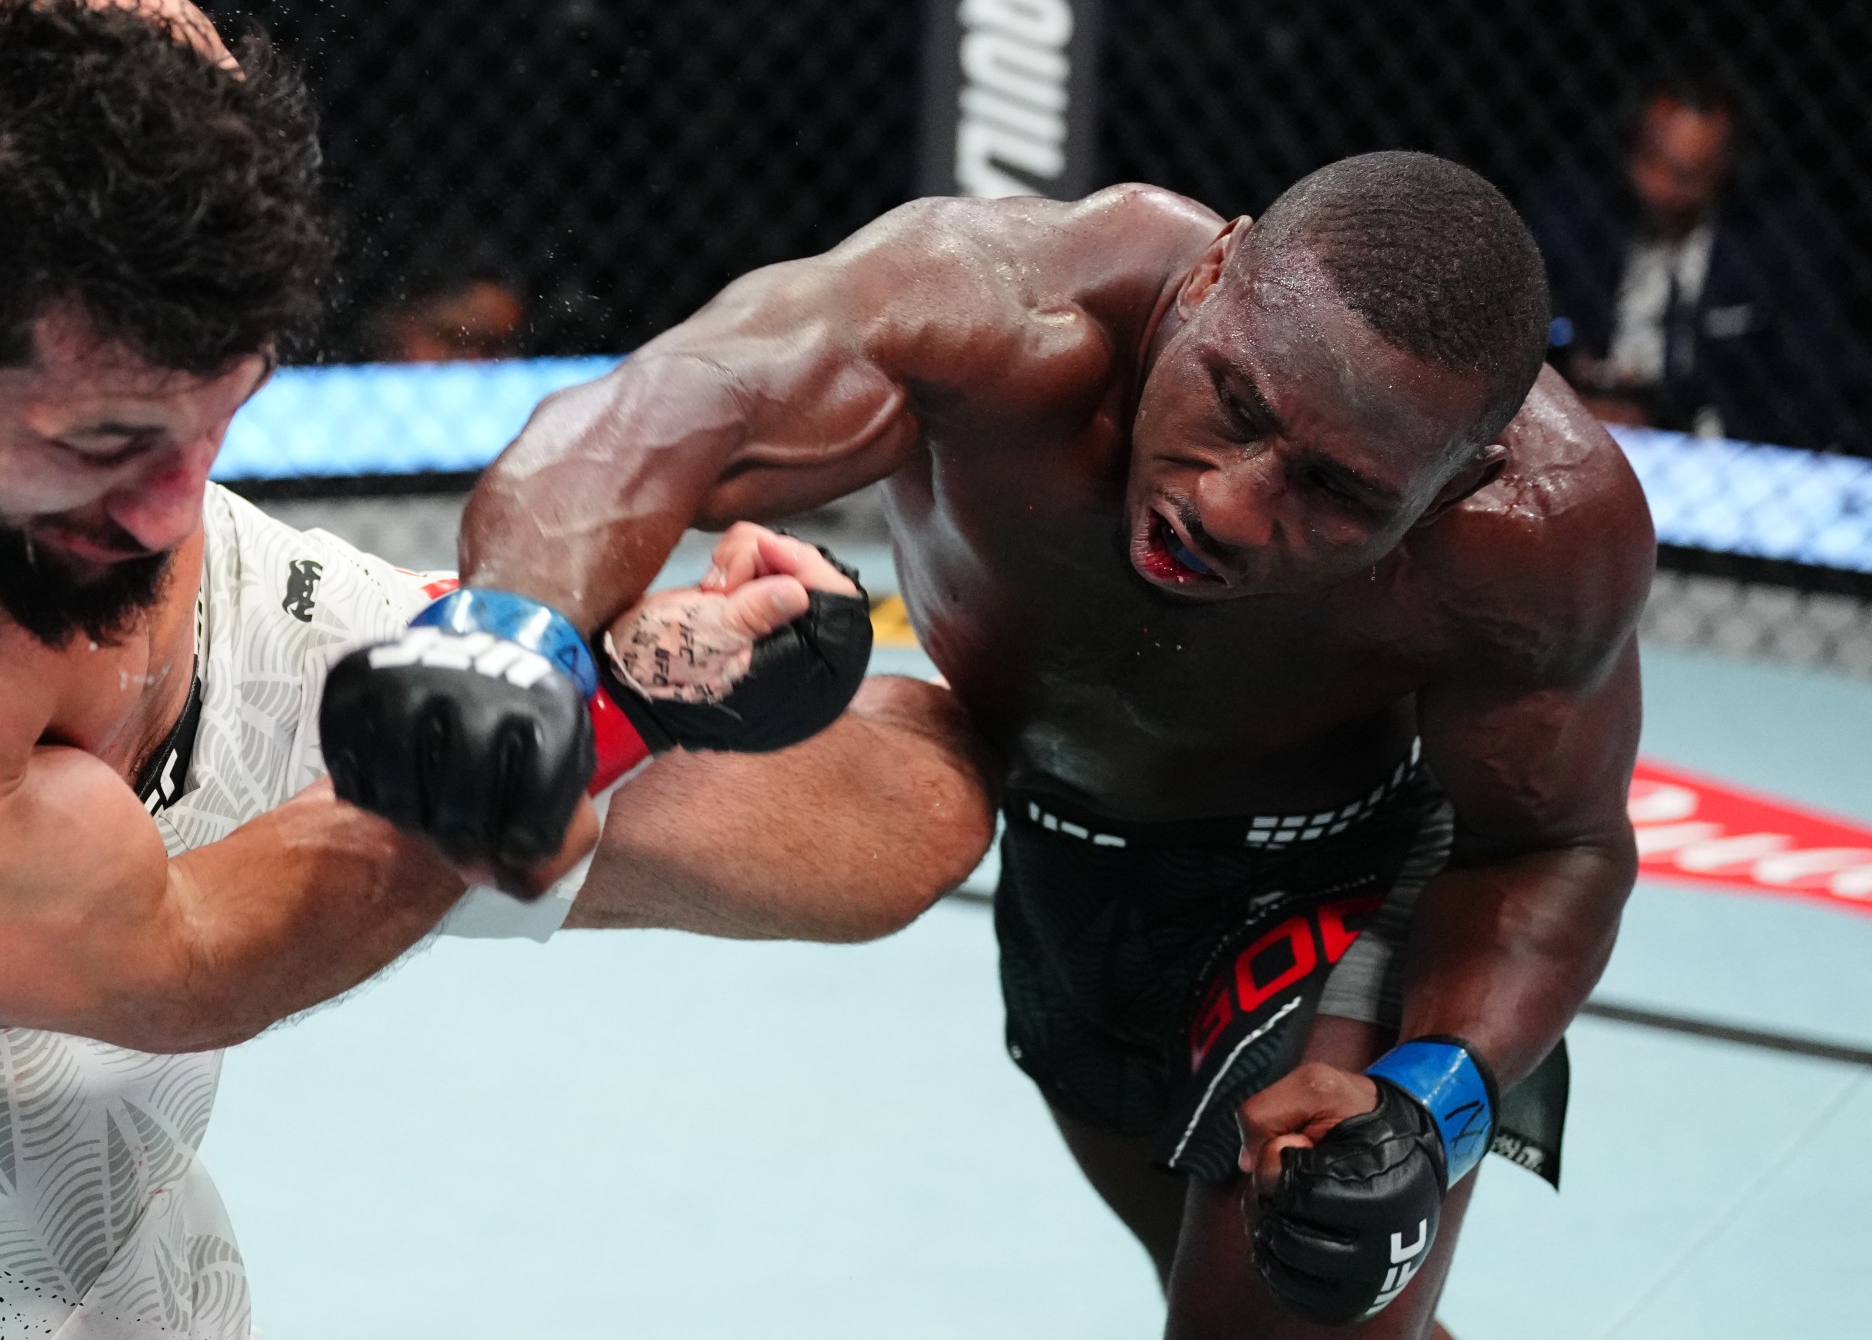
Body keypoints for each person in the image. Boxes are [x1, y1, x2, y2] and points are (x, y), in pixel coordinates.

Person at [0, 0, 993, 1338]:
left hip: (209, 655)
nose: (172, 504)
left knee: (896, 824)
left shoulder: (52, 73)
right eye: (106, 445)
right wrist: (581, 720)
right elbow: (185, 960)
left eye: (216, 422)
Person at [332, 154, 1653, 1337]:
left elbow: (1556, 843)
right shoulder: (998, 309)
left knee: (1292, 1295)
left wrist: (1434, 1099)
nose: (1233, 508)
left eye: (1339, 494)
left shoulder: (1542, 535)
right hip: (1071, 867)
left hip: (1345, 887)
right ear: (1205, 277)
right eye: (1237, 404)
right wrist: (513, 633)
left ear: (1459, 484)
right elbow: (662, 413)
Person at [1526, 76, 1870, 450]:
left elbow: (1821, 383)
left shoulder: (1778, 243)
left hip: (1715, 448)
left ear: (1727, 169)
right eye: (1649, 159)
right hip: (1575, 427)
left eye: (1685, 175)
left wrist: (1670, 415)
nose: (1659, 187)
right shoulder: (1573, 216)